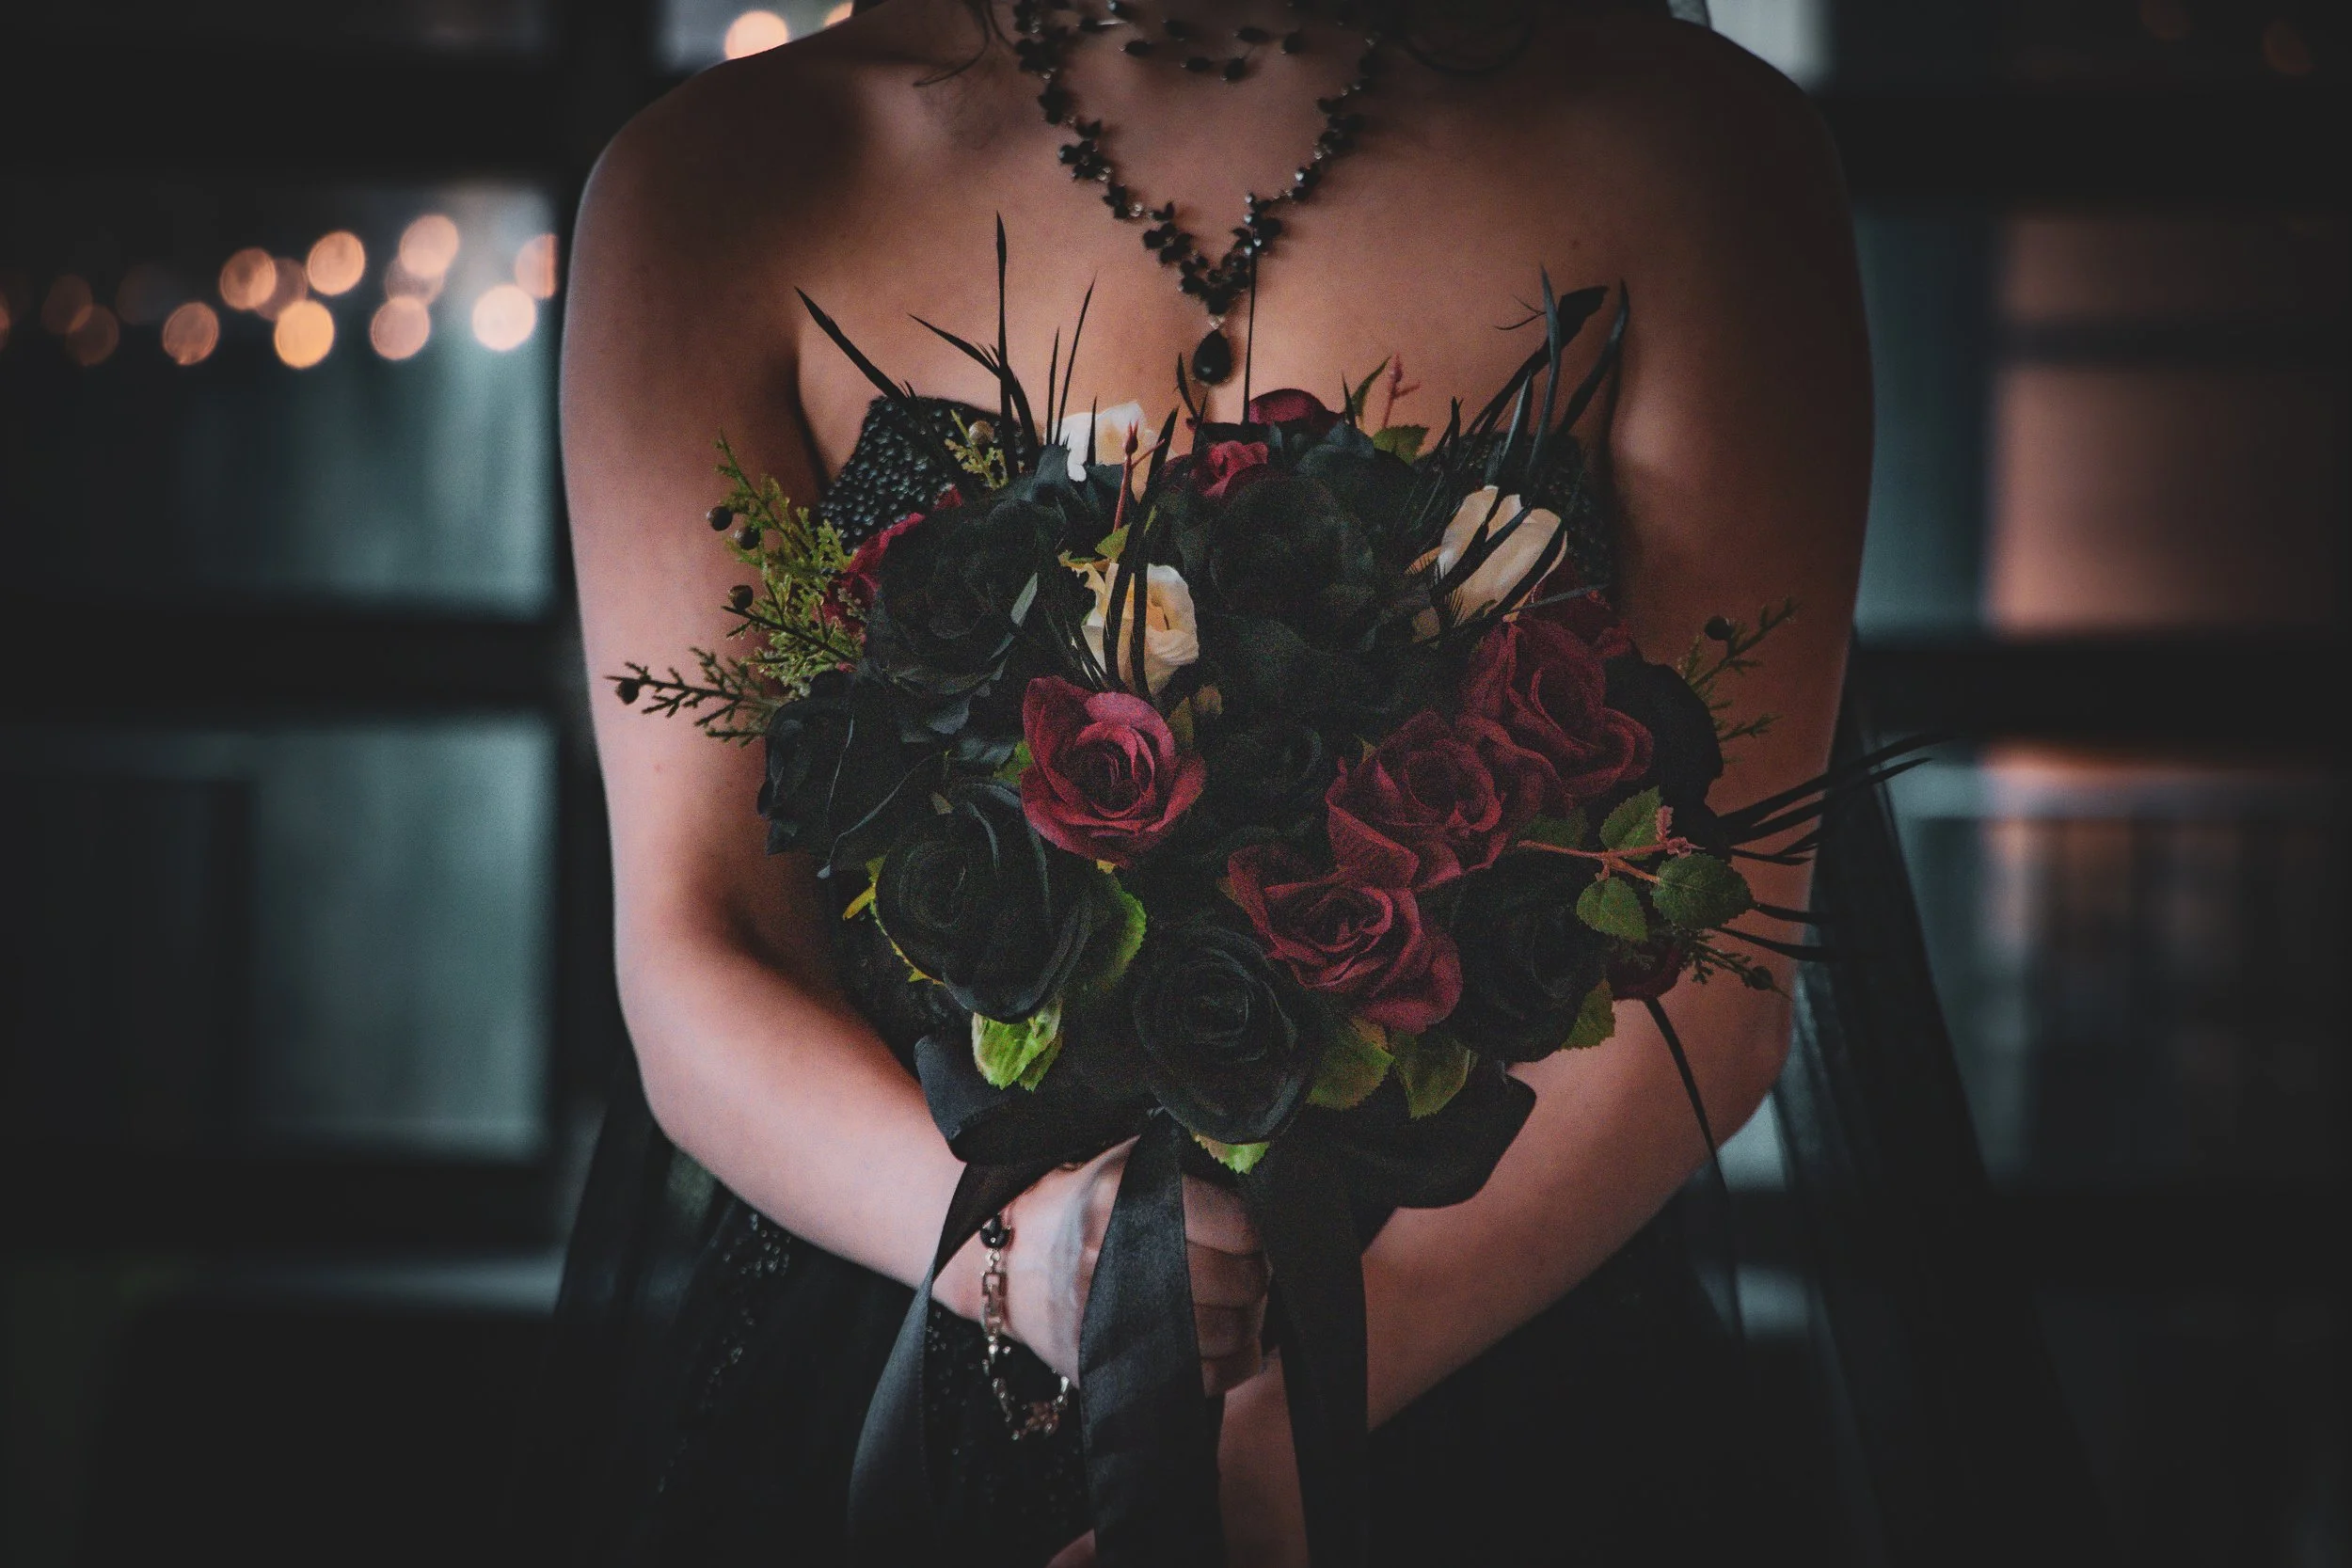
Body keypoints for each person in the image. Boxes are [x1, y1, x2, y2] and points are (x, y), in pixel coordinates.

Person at [550, 0, 1869, 1560]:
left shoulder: (1699, 153)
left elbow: (1714, 941)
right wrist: (1031, 1263)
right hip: (918, 1322)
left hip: (1486, 1332)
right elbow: (701, 946)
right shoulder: (722, 178)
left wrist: (1305, 1410)